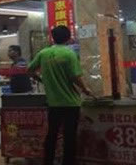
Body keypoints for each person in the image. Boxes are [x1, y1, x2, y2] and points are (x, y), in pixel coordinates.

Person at [28, 26, 93, 165]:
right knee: (70, 136)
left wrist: (41, 79)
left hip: (53, 103)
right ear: (68, 38)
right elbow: (75, 76)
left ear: (52, 38)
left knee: (52, 134)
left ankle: (48, 161)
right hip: (71, 103)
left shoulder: (43, 53)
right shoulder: (69, 54)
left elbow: (30, 69)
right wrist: (85, 89)